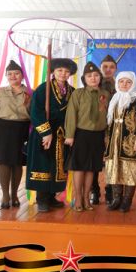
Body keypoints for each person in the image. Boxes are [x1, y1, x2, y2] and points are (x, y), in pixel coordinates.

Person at [26, 58, 77, 213]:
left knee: (58, 165)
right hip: (44, 132)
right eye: (60, 70)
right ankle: (42, 199)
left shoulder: (72, 91)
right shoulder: (44, 89)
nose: (63, 73)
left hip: (62, 133)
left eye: (66, 71)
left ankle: (51, 196)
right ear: (53, 71)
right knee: (43, 164)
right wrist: (46, 133)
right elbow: (36, 111)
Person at [64, 61, 109, 211]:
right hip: (81, 134)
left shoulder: (105, 94)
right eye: (89, 76)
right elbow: (71, 114)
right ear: (84, 79)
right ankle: (78, 198)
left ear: (100, 77)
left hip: (98, 135)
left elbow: (109, 117)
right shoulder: (78, 93)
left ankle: (86, 198)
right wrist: (70, 135)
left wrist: (106, 136)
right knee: (79, 167)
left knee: (91, 168)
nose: (93, 78)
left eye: (96, 75)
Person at [0, 60, 30, 209]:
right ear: (6, 76)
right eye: (9, 74)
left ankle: (15, 194)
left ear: (22, 76)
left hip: (22, 128)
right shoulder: (0, 92)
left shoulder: (30, 93)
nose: (13, 76)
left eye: (16, 73)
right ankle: (5, 195)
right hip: (2, 128)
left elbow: (34, 113)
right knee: (4, 162)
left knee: (18, 162)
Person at [104, 71, 136, 212]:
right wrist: (106, 141)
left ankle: (127, 200)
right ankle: (116, 199)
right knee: (115, 170)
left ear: (133, 83)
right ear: (117, 83)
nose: (124, 84)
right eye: (121, 81)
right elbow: (108, 122)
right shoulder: (114, 99)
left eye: (128, 82)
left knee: (130, 171)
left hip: (130, 141)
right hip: (113, 143)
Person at [93, 54, 117, 205]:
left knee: (111, 161)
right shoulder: (94, 84)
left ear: (116, 69)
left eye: (111, 67)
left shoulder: (120, 84)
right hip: (96, 127)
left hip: (114, 128)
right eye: (105, 67)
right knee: (94, 160)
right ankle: (94, 190)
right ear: (100, 68)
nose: (108, 70)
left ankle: (110, 191)